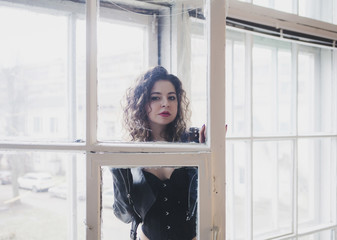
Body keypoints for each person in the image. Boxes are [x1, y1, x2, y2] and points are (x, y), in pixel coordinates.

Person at [111, 66, 204, 240]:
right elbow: (124, 215)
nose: (165, 103)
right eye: (155, 98)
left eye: (171, 97)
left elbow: (210, 196)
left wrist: (212, 145)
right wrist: (116, 166)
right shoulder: (129, 150)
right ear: (141, 102)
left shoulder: (191, 143)